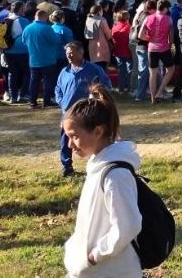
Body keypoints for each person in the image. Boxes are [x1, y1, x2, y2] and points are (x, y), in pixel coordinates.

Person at [62, 85, 144, 277]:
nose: (69, 144)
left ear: (98, 131)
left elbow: (128, 225)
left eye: (75, 136)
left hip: (111, 271)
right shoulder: (98, 166)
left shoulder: (115, 175)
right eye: (67, 137)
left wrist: (94, 256)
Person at [55, 42, 112, 177]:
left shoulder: (94, 69)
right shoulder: (65, 71)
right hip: (68, 113)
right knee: (66, 140)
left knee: (93, 136)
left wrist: (95, 99)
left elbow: (106, 85)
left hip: (88, 113)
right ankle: (67, 166)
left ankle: (102, 163)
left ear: (81, 53)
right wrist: (62, 102)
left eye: (72, 52)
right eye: (67, 53)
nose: (69, 55)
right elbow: (58, 89)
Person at [22, 9, 64, 109]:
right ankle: (46, 101)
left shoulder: (27, 28)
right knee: (48, 81)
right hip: (48, 59)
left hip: (33, 60)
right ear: (44, 17)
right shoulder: (47, 28)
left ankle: (33, 102)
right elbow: (56, 41)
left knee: (34, 81)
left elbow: (24, 41)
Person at [142, 0, 176, 105]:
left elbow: (140, 35)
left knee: (152, 73)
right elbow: (171, 38)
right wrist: (170, 45)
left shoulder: (148, 18)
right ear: (165, 8)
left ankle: (153, 98)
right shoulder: (168, 19)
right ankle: (159, 92)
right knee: (170, 69)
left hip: (152, 48)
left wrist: (151, 39)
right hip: (164, 48)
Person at [2, 6, 32, 105]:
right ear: (21, 10)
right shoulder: (23, 20)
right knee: (27, 73)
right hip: (23, 50)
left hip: (8, 50)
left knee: (12, 73)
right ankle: (23, 94)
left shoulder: (5, 20)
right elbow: (28, 34)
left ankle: (13, 96)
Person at [130, 0, 154, 102]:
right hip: (143, 46)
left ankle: (142, 92)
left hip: (138, 45)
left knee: (143, 69)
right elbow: (142, 33)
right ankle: (140, 95)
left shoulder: (141, 14)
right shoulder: (147, 17)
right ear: (151, 9)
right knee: (144, 71)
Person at [85, 4, 113, 70]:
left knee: (94, 64)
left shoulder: (89, 19)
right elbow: (108, 34)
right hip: (101, 44)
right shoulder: (102, 20)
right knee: (102, 65)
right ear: (99, 11)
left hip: (92, 44)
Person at [110, 11, 133, 93]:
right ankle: (130, 87)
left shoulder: (114, 27)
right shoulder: (129, 27)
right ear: (127, 18)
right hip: (127, 50)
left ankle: (121, 88)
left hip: (118, 51)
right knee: (129, 69)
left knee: (121, 70)